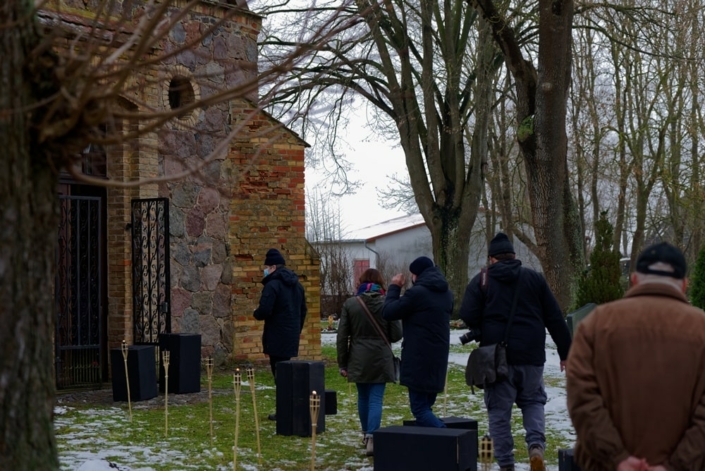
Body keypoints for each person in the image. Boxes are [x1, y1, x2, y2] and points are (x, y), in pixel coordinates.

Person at [566, 242, 705, 471]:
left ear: (634, 280)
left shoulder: (596, 325)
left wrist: (617, 458)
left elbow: (582, 399)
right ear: (684, 285)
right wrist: (677, 465)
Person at [459, 232, 572, 471]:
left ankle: (507, 464)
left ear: (492, 259)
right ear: (514, 256)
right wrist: (565, 352)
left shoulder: (482, 280)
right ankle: (536, 447)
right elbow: (554, 317)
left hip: (496, 358)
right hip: (532, 355)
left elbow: (467, 314)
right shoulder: (535, 279)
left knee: (499, 412)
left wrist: (483, 326)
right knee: (533, 402)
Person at [337, 268, 402, 456]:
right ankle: (373, 437)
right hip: (381, 357)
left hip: (358, 358)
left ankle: (366, 434)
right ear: (380, 283)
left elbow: (342, 337)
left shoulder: (351, 304)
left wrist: (343, 363)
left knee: (363, 397)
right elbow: (397, 334)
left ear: (361, 283)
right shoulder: (386, 303)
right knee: (375, 399)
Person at [382, 256, 453, 428]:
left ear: (416, 275)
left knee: (420, 409)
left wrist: (394, 287)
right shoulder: (447, 293)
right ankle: (433, 449)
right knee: (426, 406)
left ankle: (450, 440)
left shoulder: (417, 293)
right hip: (438, 357)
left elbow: (388, 311)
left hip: (418, 357)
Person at [253, 248, 307, 421]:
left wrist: (257, 313)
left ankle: (285, 410)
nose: (266, 269)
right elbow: (303, 311)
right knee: (286, 374)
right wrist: (296, 330)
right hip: (290, 335)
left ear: (274, 267)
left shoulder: (272, 285)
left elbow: (265, 310)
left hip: (276, 336)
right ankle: (290, 408)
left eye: (267, 266)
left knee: (279, 376)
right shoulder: (297, 285)